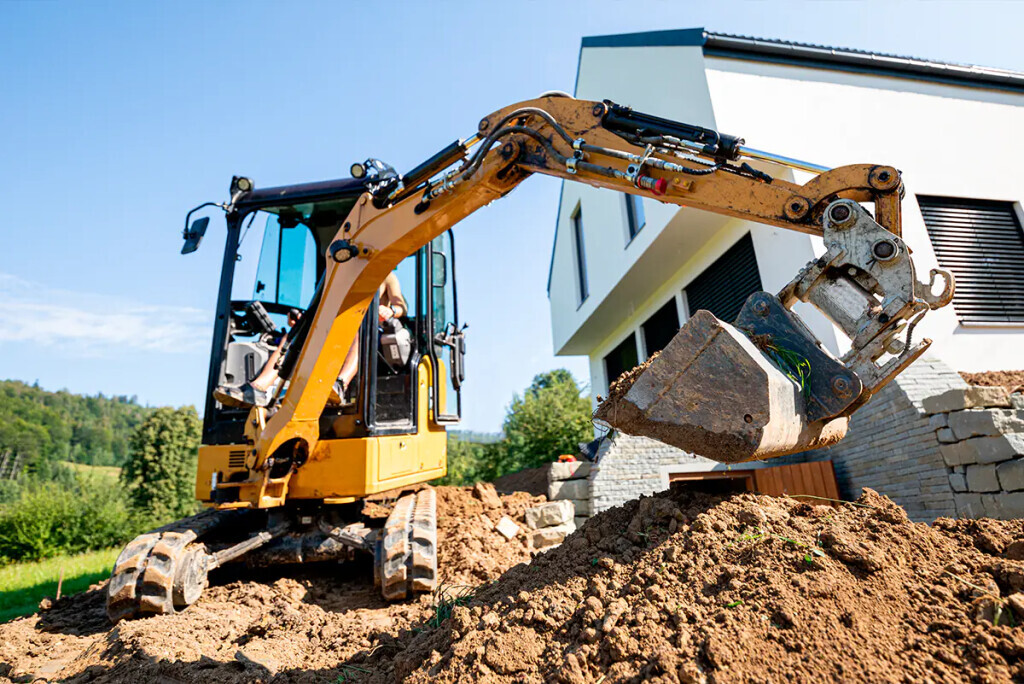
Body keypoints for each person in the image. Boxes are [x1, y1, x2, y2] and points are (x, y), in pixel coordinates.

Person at [213, 271, 406, 409]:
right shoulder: (339, 272)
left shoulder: (386, 275)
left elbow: (401, 306)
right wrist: (299, 321)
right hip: (336, 330)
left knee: (360, 325)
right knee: (295, 332)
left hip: (367, 331)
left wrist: (391, 310)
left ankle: (340, 385)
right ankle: (259, 388)